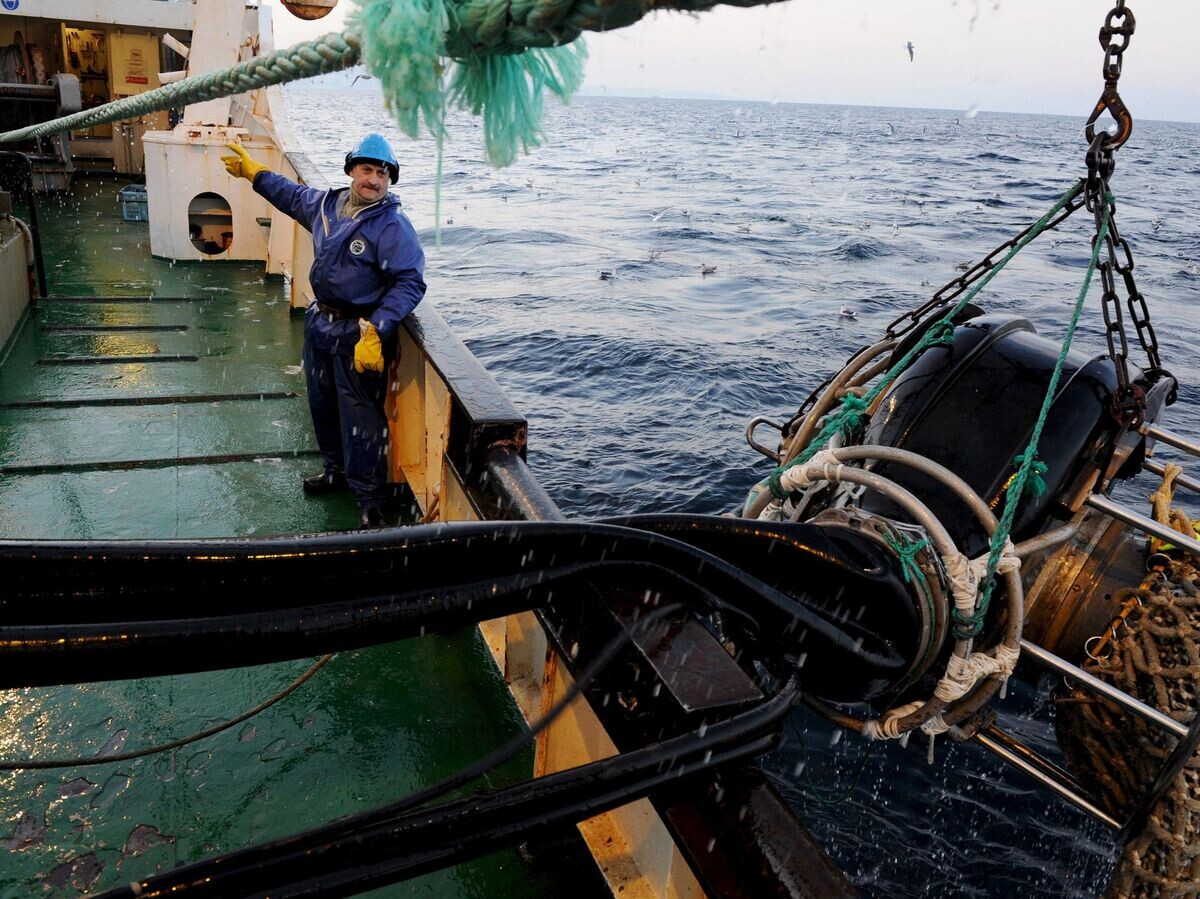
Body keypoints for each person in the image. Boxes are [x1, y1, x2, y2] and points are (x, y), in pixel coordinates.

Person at [222, 133, 426, 528]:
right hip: (320, 324)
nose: (374, 179)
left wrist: (377, 328)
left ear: (390, 181)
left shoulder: (393, 227)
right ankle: (335, 470)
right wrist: (253, 173)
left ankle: (370, 499)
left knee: (362, 418)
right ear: (351, 170)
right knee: (323, 406)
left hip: (358, 334)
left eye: (383, 173)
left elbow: (411, 282)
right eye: (367, 169)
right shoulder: (327, 205)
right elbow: (290, 195)